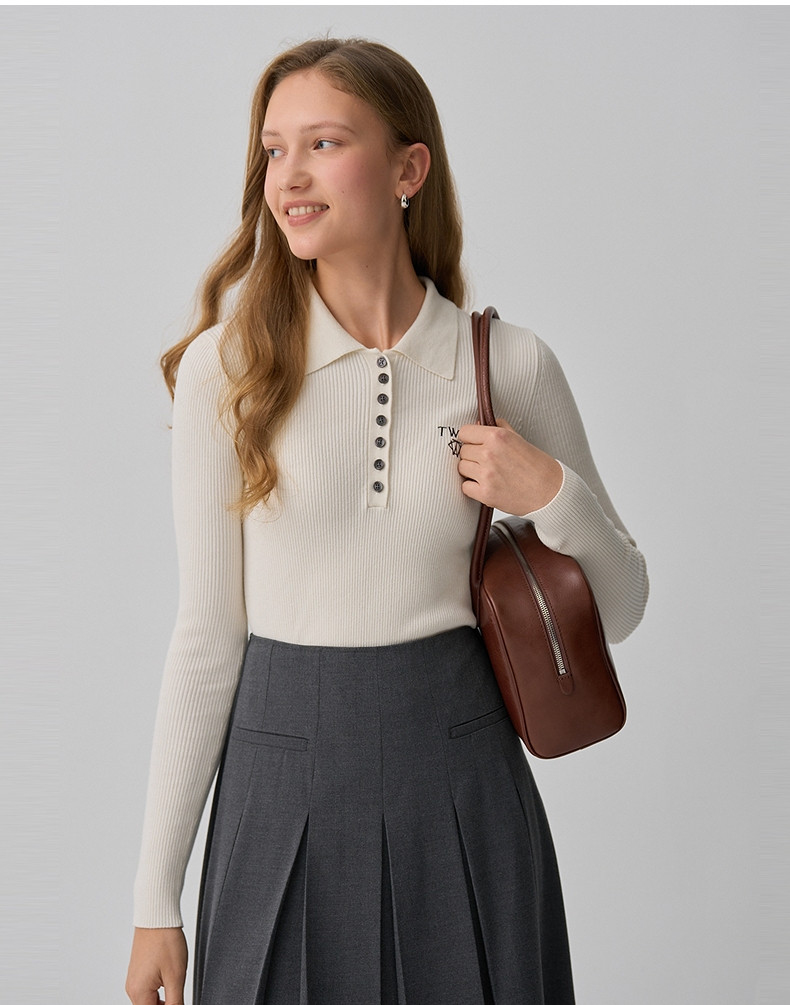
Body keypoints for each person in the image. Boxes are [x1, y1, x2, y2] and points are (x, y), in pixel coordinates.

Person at [125, 37, 648, 1005]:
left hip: (462, 787)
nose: (289, 176)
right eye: (273, 150)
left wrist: (550, 493)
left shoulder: (509, 365)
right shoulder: (225, 371)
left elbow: (621, 606)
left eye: (323, 143)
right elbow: (206, 635)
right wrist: (156, 897)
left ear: (409, 169)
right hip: (277, 790)